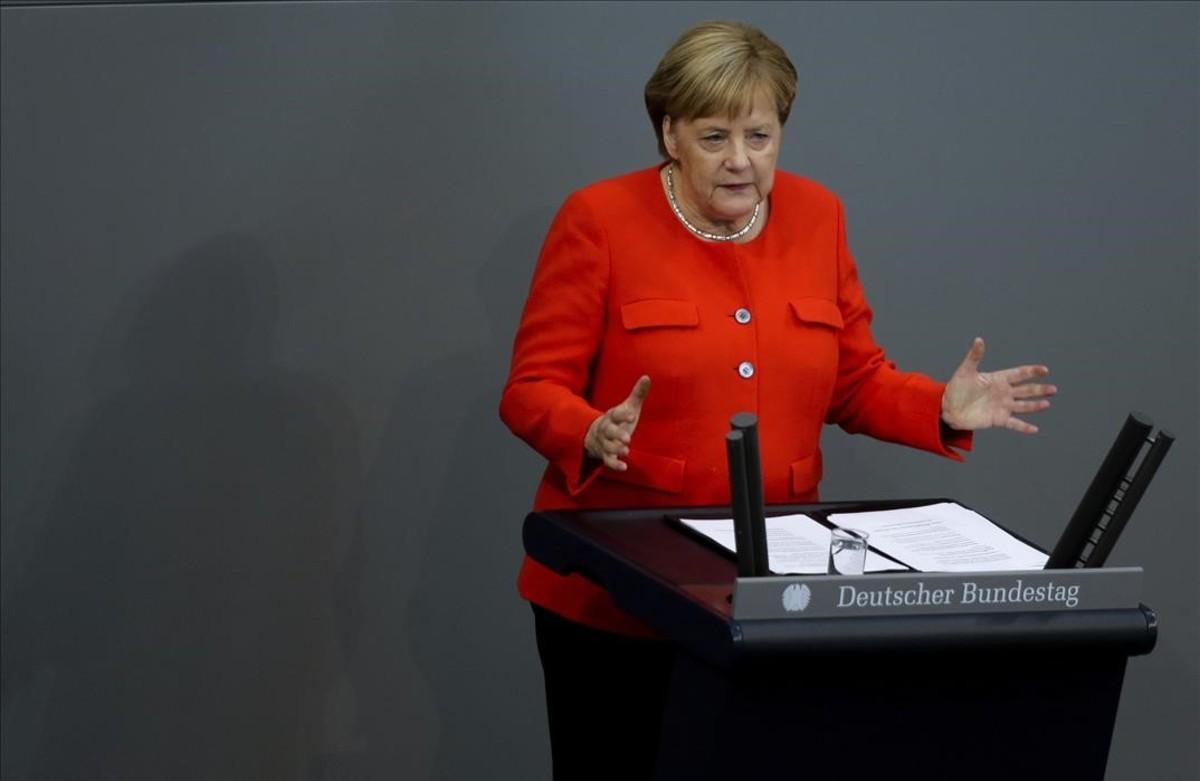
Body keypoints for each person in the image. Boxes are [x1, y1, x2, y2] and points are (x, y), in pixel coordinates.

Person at [498, 20, 1055, 778]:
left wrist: (941, 408)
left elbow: (854, 381)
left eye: (760, 136)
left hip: (769, 592)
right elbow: (530, 388)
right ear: (669, 132)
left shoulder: (817, 216)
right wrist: (589, 431)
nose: (740, 161)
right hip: (618, 591)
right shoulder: (598, 220)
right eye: (714, 136)